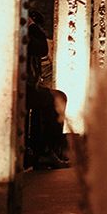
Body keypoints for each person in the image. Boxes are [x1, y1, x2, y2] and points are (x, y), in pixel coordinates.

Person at [25, 10, 68, 168]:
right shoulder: (20, 33)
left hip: (23, 88)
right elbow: (41, 48)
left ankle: (41, 151)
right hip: (17, 90)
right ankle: (47, 151)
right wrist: (32, 25)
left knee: (45, 100)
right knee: (57, 99)